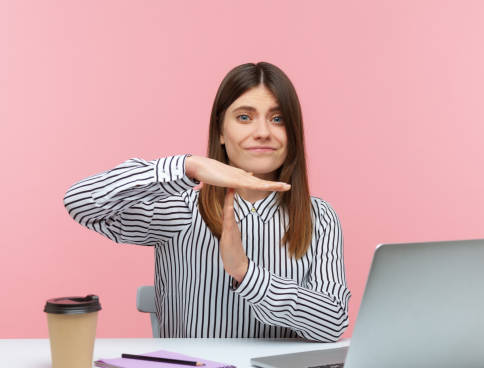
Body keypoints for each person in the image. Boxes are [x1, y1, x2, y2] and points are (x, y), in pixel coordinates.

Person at [63, 62, 351, 342]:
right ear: (221, 133)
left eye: (278, 119)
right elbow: (81, 201)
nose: (263, 132)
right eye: (244, 117)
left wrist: (246, 274)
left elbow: (333, 323)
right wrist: (188, 166)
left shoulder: (319, 217)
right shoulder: (180, 209)